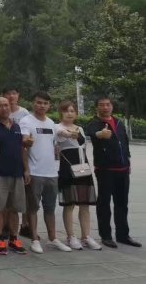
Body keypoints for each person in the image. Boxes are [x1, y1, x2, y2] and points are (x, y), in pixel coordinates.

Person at [86, 96, 141, 248]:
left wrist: (128, 161)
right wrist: (100, 134)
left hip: (123, 169)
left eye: (107, 104)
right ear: (97, 107)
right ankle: (106, 236)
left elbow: (125, 142)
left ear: (112, 106)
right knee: (104, 203)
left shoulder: (118, 122)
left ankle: (123, 235)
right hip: (105, 170)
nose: (105, 107)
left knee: (122, 203)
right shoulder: (94, 123)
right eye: (101, 105)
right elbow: (91, 133)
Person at [20, 91, 71, 253]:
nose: (42, 106)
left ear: (49, 106)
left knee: (50, 208)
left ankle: (53, 238)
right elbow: (23, 144)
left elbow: (55, 143)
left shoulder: (51, 123)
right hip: (35, 172)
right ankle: (34, 239)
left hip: (51, 173)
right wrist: (26, 169)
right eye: (39, 102)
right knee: (32, 208)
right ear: (33, 103)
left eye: (45, 103)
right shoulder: (26, 121)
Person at [0, 97, 28, 255]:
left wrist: (26, 169)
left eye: (6, 105)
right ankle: (0, 238)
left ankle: (14, 239)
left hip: (17, 173)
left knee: (15, 208)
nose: (4, 108)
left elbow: (22, 149)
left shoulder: (16, 126)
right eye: (0, 106)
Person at [55, 100, 101, 250]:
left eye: (72, 111)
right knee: (69, 204)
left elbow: (82, 144)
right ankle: (71, 236)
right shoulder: (57, 127)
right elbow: (62, 134)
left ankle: (86, 236)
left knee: (85, 203)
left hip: (82, 167)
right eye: (66, 111)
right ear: (60, 113)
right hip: (68, 168)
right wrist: (70, 134)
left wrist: (76, 134)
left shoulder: (80, 128)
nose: (69, 113)